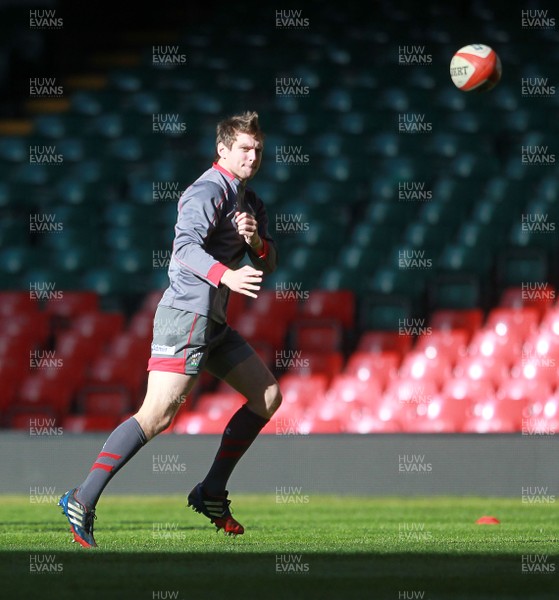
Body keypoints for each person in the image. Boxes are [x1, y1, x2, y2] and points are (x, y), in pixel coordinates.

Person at [59, 111, 281, 547]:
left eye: (257, 148)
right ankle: (81, 499)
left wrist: (255, 244)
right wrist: (227, 276)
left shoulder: (250, 202)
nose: (252, 155)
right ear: (222, 149)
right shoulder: (207, 190)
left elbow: (270, 262)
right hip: (186, 316)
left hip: (213, 321)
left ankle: (211, 492)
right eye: (243, 147)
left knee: (268, 396)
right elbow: (183, 250)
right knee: (157, 415)